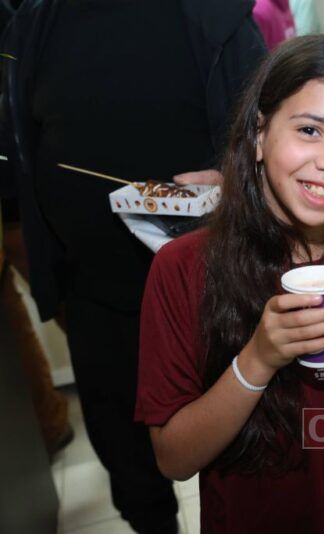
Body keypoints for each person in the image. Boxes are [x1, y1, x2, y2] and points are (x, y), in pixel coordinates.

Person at [135, 35, 324, 532]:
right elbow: (174, 459)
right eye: (310, 130)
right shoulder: (183, 268)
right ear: (259, 133)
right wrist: (257, 360)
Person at [0, 1, 265, 531]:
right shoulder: (35, 21)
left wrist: (238, 185)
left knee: (246, 461)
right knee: (130, 466)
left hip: (215, 297)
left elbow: (276, 139)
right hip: (97, 301)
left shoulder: (216, 16)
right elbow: (21, 153)